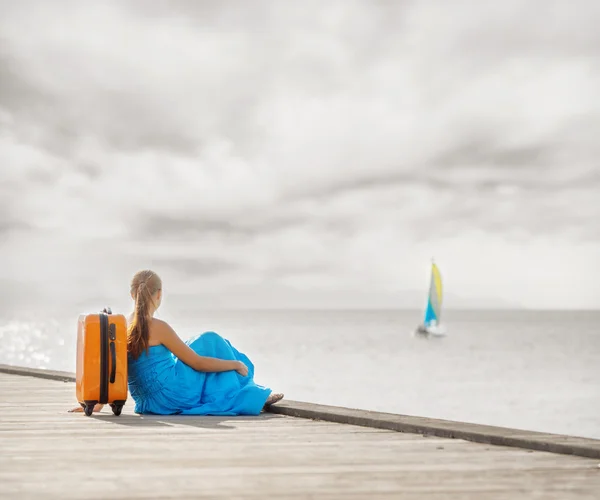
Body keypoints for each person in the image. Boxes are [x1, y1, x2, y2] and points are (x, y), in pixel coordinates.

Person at [70, 269, 283, 415]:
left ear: (132, 294)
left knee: (194, 344)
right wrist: (235, 365)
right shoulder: (158, 327)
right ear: (159, 295)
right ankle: (253, 394)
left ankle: (250, 392)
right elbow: (198, 363)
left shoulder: (121, 326)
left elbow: (114, 370)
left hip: (148, 403)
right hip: (174, 394)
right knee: (211, 340)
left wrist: (97, 404)